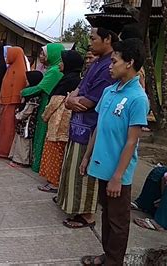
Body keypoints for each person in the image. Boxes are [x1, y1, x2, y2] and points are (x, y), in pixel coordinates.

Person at [80, 38, 148, 266]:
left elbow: (131, 142)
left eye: (114, 61)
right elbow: (99, 126)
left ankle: (114, 261)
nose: (110, 65)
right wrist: (87, 156)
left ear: (129, 63)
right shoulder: (110, 91)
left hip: (119, 173)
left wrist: (118, 177)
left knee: (118, 222)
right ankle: (107, 255)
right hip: (101, 166)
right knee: (107, 218)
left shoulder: (138, 98)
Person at [57, 27, 118, 229]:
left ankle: (87, 215)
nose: (90, 43)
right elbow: (80, 89)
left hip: (91, 127)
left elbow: (90, 101)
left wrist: (71, 100)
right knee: (74, 167)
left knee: (84, 171)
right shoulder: (97, 62)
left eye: (93, 38)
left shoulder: (109, 65)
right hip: (79, 123)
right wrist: (71, 100)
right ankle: (72, 204)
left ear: (107, 38)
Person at [38, 50, 83, 192]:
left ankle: (54, 182)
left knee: (55, 152)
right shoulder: (75, 79)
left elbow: (54, 102)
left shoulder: (68, 81)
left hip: (58, 123)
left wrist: (45, 115)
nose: (60, 65)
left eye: (63, 62)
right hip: (65, 123)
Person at [21, 43, 65, 173]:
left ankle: (38, 164)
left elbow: (41, 87)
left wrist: (23, 92)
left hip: (48, 103)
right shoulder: (51, 68)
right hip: (46, 101)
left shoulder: (54, 71)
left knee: (42, 133)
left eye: (44, 54)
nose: (41, 56)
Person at [0, 46, 28, 158]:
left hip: (12, 103)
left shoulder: (19, 71)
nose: (6, 57)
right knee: (4, 127)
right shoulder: (11, 68)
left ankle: (5, 151)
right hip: (7, 103)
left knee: (8, 128)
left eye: (8, 54)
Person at [8, 71, 44, 166]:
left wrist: (18, 115)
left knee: (24, 141)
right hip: (23, 122)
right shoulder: (29, 93)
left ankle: (22, 160)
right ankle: (16, 157)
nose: (26, 81)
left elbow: (28, 111)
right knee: (20, 139)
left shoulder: (33, 97)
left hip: (27, 122)